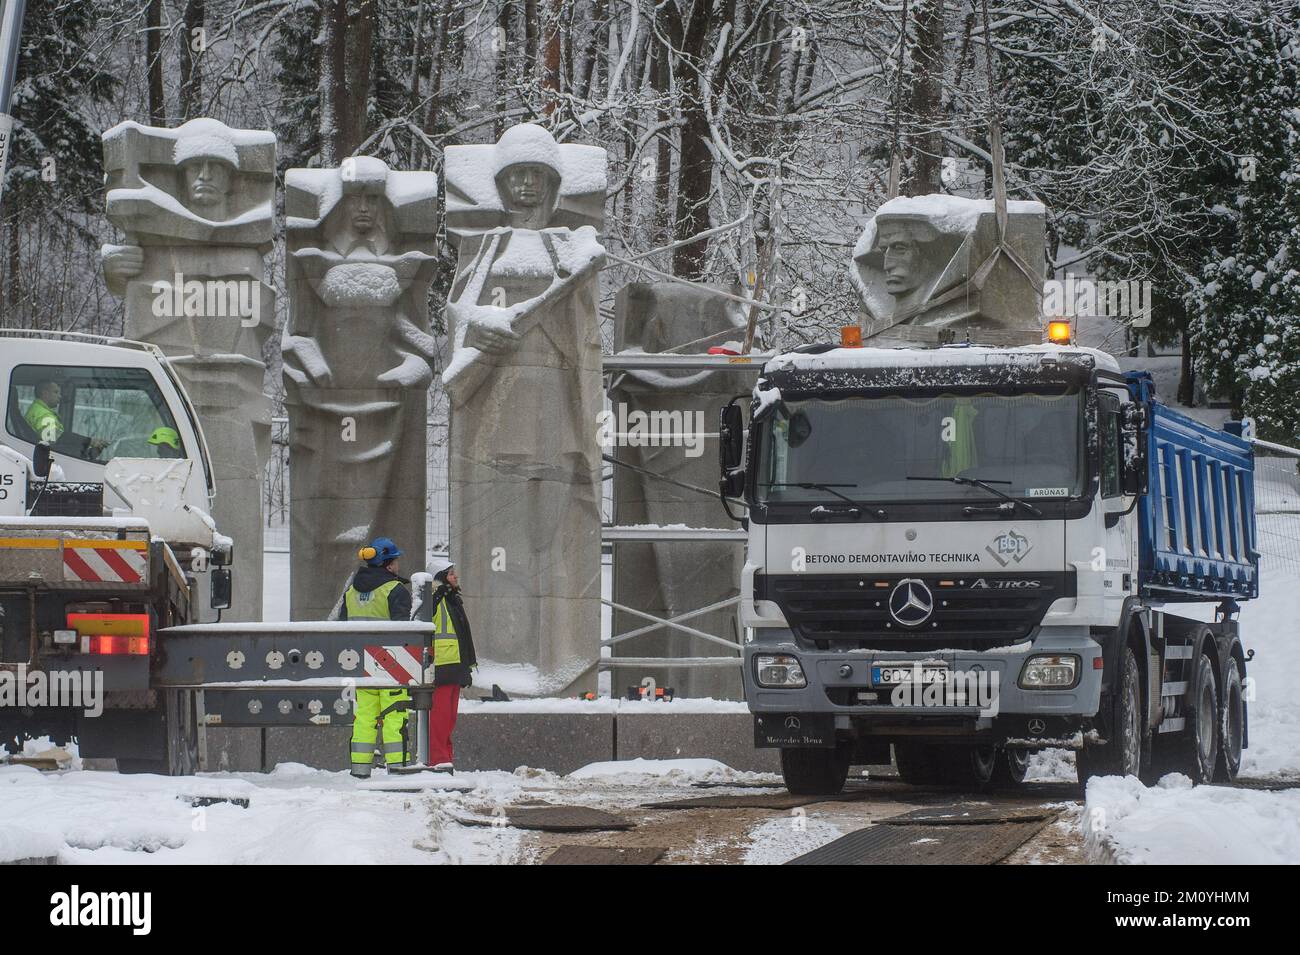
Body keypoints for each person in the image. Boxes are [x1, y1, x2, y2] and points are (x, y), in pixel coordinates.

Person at [340, 537, 413, 779]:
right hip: (391, 665)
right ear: (389, 565)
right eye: (396, 560)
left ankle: (360, 769)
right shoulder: (396, 591)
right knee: (394, 715)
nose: (399, 564)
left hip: (360, 665)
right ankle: (398, 767)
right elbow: (405, 634)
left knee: (364, 718)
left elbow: (341, 629)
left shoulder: (351, 592)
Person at [427, 557, 476, 772]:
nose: (455, 576)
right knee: (440, 718)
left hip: (454, 665)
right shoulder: (435, 599)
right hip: (442, 666)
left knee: (449, 718)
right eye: (450, 573)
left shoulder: (451, 599)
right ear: (440, 579)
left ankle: (445, 758)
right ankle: (437, 760)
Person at [23, 380, 109, 458]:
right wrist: (89, 442)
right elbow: (55, 442)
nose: (59, 396)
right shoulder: (44, 415)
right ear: (45, 393)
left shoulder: (36, 410)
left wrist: (86, 453)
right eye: (56, 392)